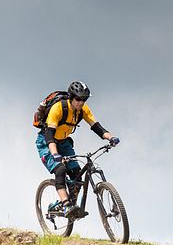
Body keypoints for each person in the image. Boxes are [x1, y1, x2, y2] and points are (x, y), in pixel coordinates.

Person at [35, 81, 120, 217]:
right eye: (78, 99)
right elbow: (49, 135)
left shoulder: (83, 110)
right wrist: (55, 154)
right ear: (71, 97)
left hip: (64, 142)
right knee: (60, 169)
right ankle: (65, 205)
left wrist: (110, 138)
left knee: (76, 174)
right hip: (47, 142)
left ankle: (72, 204)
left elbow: (96, 126)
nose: (81, 102)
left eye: (84, 99)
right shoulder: (58, 108)